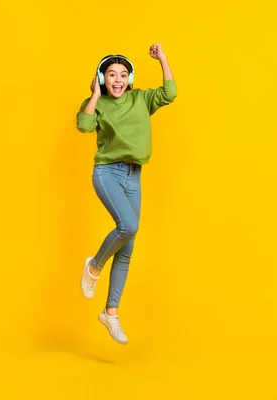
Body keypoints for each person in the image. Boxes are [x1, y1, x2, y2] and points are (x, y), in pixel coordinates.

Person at [76, 44, 177, 344]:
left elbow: (169, 94)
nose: (117, 80)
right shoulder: (98, 102)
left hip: (134, 175)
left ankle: (110, 313)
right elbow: (83, 125)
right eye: (110, 75)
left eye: (122, 75)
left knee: (128, 248)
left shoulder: (141, 98)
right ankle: (93, 267)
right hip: (108, 172)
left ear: (130, 78)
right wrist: (94, 95)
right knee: (129, 226)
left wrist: (162, 58)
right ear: (101, 78)